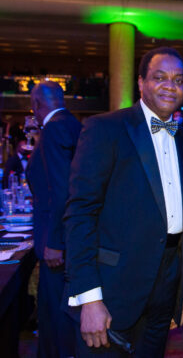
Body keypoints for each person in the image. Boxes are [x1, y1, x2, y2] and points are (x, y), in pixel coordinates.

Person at [63, 47, 183, 357]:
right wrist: (89, 298)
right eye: (159, 77)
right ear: (141, 83)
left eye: (178, 80)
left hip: (166, 286)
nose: (170, 86)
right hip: (112, 288)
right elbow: (81, 214)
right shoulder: (105, 129)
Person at [26, 81, 82, 358]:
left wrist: (55, 242)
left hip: (58, 244)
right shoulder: (73, 124)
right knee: (63, 313)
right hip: (69, 237)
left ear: (36, 104)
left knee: (56, 317)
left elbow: (62, 190)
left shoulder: (55, 129)